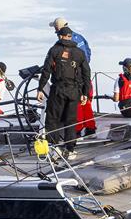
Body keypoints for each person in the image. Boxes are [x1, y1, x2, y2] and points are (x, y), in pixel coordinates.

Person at [36, 26, 91, 159]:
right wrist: (85, 93)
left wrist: (40, 88)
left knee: (52, 118)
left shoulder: (54, 50)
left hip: (58, 89)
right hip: (74, 91)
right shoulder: (79, 53)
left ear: (60, 36)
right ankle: (70, 149)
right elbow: (86, 74)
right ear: (70, 37)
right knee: (71, 120)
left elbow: (46, 71)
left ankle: (55, 147)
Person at [49, 17, 96, 136]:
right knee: (86, 101)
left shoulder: (62, 44)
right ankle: (90, 128)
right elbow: (87, 54)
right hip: (84, 75)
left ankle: (77, 130)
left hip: (73, 79)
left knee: (76, 104)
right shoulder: (79, 37)